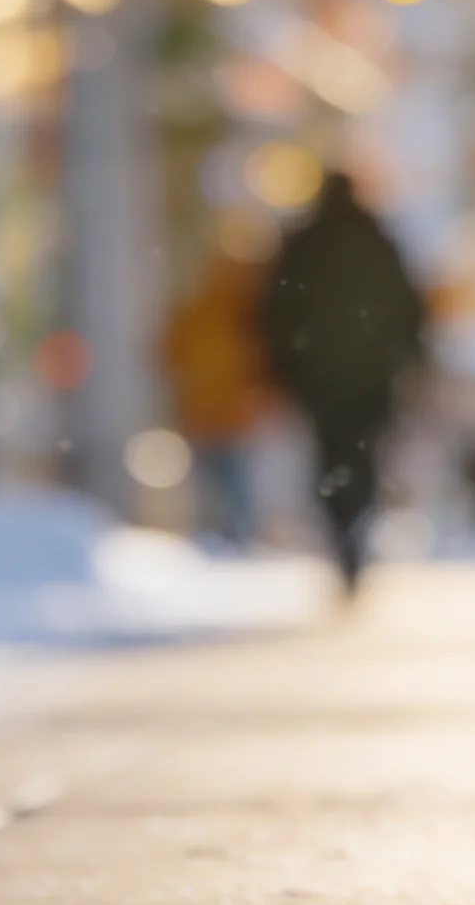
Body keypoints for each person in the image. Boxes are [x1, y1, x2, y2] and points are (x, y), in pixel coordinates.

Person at [258, 171, 426, 590]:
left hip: (319, 376)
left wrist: (282, 366)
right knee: (363, 454)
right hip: (371, 374)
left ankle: (343, 527)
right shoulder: (378, 240)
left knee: (329, 455)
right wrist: (410, 359)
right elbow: (410, 308)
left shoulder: (304, 243)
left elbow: (275, 310)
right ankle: (356, 522)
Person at [158, 231, 274, 547]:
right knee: (234, 482)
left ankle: (220, 534)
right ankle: (235, 534)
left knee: (214, 481)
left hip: (206, 411)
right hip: (231, 413)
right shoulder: (246, 317)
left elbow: (167, 351)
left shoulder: (202, 311)